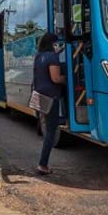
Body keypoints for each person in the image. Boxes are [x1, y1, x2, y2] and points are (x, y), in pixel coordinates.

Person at [33, 33, 66, 175]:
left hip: (41, 97)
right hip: (51, 97)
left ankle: (43, 163)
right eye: (56, 43)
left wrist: (59, 52)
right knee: (51, 132)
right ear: (52, 43)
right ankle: (42, 165)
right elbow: (56, 78)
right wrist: (67, 78)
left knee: (48, 127)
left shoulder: (39, 56)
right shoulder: (52, 57)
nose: (57, 45)